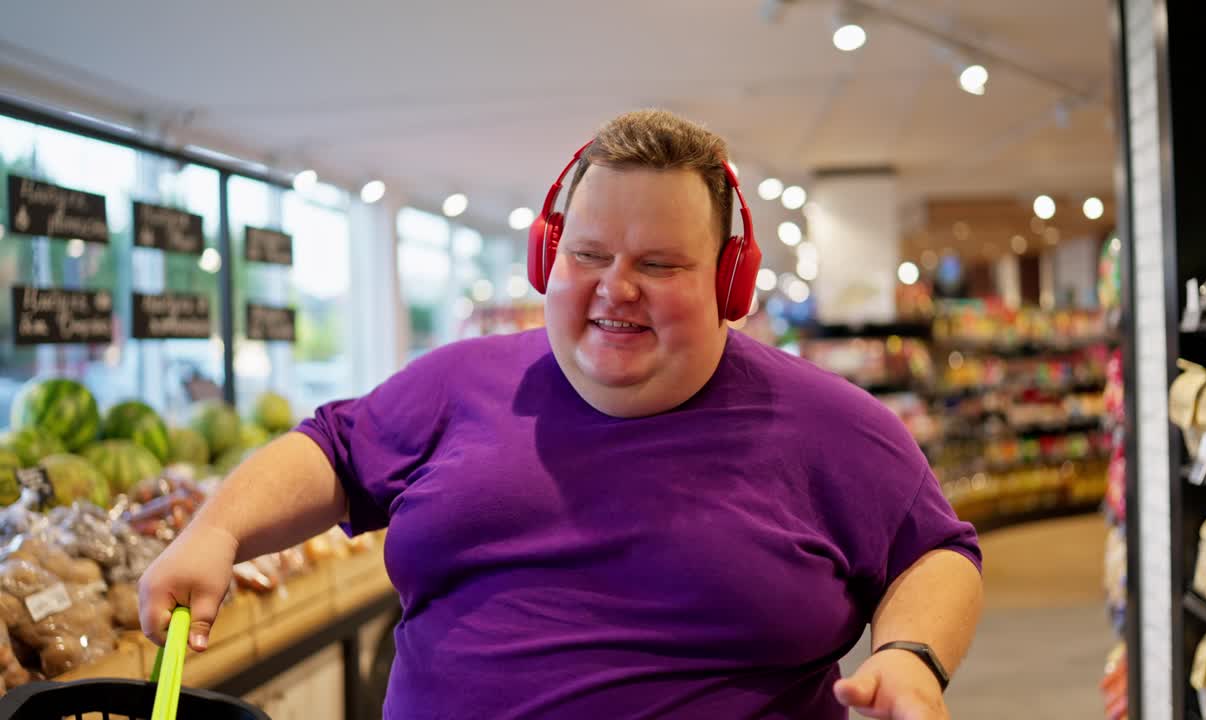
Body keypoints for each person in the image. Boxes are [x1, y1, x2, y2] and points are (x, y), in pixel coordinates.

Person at [139, 109, 983, 720]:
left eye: (659, 264)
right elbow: (333, 448)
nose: (617, 288)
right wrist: (219, 530)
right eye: (588, 254)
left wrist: (911, 657)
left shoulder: (832, 426)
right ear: (549, 259)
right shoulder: (455, 384)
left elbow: (935, 549)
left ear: (730, 283)